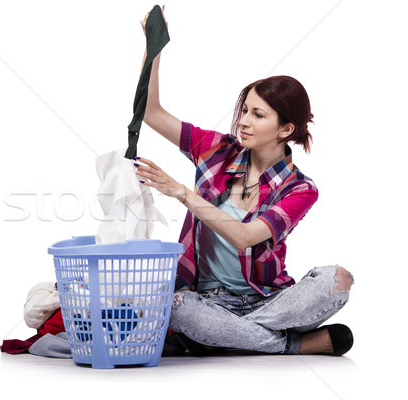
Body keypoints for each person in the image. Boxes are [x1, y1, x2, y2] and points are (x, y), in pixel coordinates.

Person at [134, 8, 354, 356]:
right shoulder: (215, 149)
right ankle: (293, 344)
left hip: (268, 300)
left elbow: (245, 236)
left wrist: (181, 193)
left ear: (286, 130)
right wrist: (153, 48)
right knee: (176, 305)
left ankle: (231, 337)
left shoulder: (300, 189)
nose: (244, 122)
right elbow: (150, 112)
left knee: (337, 280)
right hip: (207, 301)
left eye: (258, 115)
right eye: (246, 110)